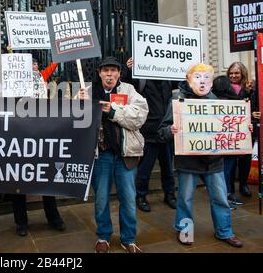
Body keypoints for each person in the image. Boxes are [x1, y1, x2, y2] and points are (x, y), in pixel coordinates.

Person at [158, 63, 243, 248]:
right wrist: (169, 130)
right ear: (189, 80)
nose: (202, 82)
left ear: (211, 83)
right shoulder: (178, 101)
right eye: (197, 77)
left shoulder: (217, 102)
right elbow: (161, 131)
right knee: (185, 199)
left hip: (213, 162)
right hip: (187, 161)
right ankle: (185, 230)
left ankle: (225, 232)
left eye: (206, 78)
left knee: (220, 198)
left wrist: (244, 129)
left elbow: (229, 130)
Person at [79, 56, 149, 253]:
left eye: (113, 70)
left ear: (119, 73)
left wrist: (112, 111)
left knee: (128, 198)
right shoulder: (88, 92)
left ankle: (129, 238)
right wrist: (80, 104)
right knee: (101, 198)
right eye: (105, 70)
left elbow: (139, 117)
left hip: (126, 154)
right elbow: (75, 121)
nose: (109, 74)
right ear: (100, 73)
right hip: (101, 156)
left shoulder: (129, 90)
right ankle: (103, 236)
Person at [10, 58, 66, 237]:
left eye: (34, 64)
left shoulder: (41, 76)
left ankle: (53, 218)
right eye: (29, 65)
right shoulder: (14, 82)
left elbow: (54, 63)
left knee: (46, 176)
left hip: (41, 133)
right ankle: (21, 222)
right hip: (20, 134)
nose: (33, 67)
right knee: (19, 181)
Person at [123, 58, 177, 212]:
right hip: (149, 130)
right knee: (145, 168)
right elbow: (127, 86)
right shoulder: (141, 77)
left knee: (168, 167)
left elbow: (183, 82)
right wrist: (129, 69)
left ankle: (170, 194)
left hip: (166, 130)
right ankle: (140, 196)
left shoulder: (167, 77)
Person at [223, 62, 258, 201]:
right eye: (231, 73)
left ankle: (243, 185)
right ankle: (229, 189)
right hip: (228, 131)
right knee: (229, 161)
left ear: (242, 73)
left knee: (245, 160)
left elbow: (254, 107)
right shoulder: (223, 88)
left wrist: (254, 113)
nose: (233, 75)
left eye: (236, 73)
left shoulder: (251, 89)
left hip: (246, 130)